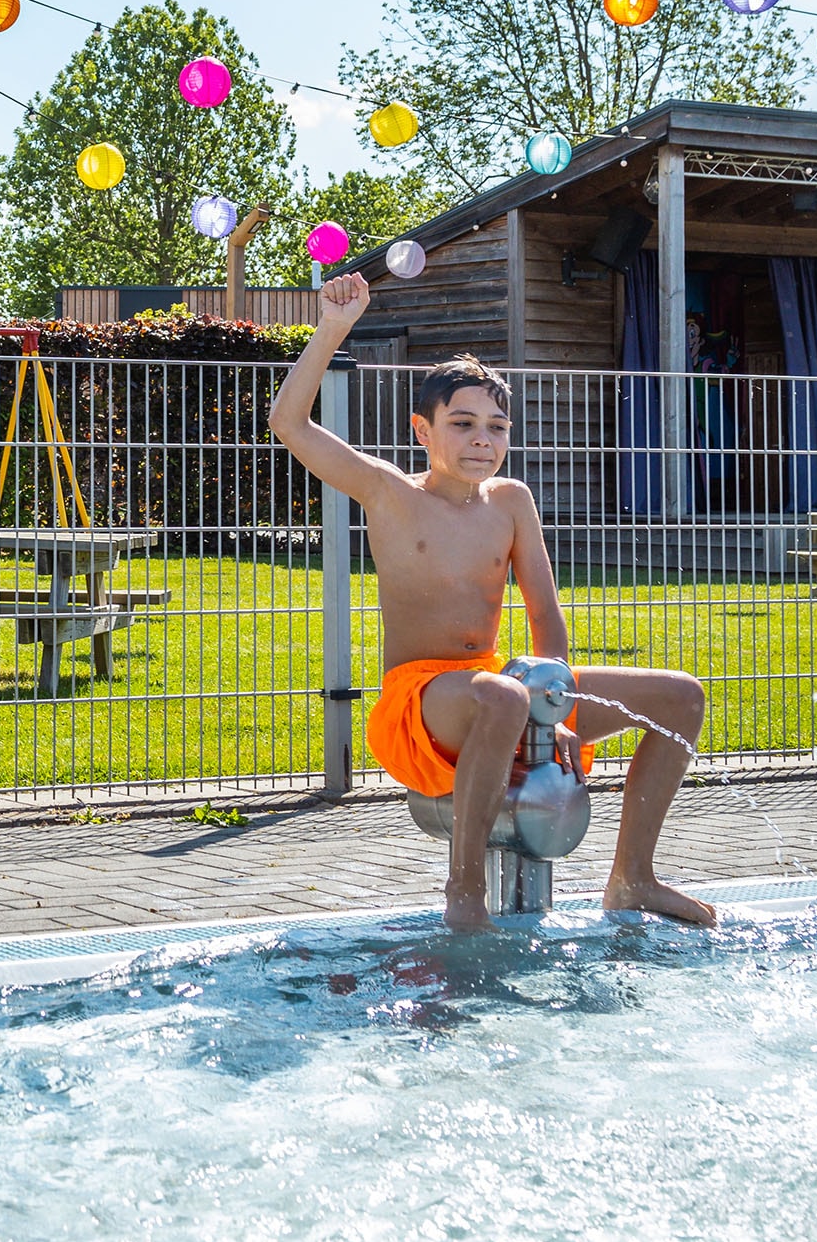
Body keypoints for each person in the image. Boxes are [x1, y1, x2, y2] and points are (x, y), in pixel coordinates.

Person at [273, 273, 716, 932]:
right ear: (422, 430)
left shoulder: (511, 502)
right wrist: (335, 328)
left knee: (681, 696)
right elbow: (288, 423)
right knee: (504, 697)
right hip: (424, 699)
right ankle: (465, 889)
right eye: (463, 424)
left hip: (507, 683)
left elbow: (544, 613)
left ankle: (633, 878)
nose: (482, 439)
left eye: (496, 426)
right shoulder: (388, 492)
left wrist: (554, 700)